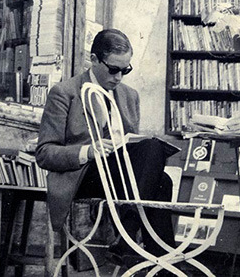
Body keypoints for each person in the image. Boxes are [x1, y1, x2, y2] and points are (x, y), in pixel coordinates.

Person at [36, 28, 175, 266]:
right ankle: (148, 251)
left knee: (161, 176)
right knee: (154, 159)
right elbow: (45, 153)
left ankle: (156, 260)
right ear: (94, 60)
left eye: (125, 70)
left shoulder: (130, 96)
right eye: (113, 69)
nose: (119, 77)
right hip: (83, 176)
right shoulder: (65, 93)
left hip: (118, 175)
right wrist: (88, 151)